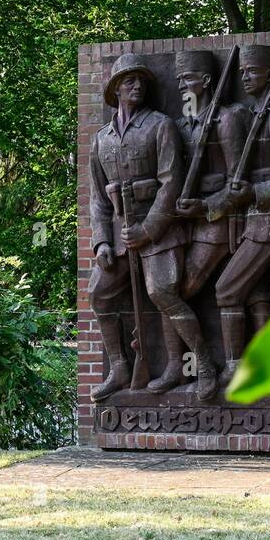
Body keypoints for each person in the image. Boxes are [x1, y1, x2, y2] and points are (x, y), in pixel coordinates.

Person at [87, 53, 216, 400]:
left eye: (141, 80)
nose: (137, 85)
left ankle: (202, 363)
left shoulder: (160, 125)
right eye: (129, 81)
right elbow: (97, 198)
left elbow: (171, 184)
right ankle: (119, 368)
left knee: (162, 293)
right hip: (118, 234)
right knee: (98, 294)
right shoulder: (101, 139)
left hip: (157, 231)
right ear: (115, 88)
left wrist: (148, 230)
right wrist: (101, 243)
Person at [210, 44, 270, 384]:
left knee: (227, 290)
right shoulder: (250, 114)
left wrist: (253, 192)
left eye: (252, 71)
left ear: (269, 74)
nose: (245, 77)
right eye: (242, 72)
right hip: (253, 218)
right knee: (259, 293)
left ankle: (237, 364)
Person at [168, 49, 249, 397]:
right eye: (179, 79)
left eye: (188, 79)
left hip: (217, 221)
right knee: (165, 288)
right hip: (182, 223)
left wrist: (204, 208)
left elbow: (238, 185)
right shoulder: (182, 123)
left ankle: (206, 367)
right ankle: (176, 366)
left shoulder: (226, 119)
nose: (182, 85)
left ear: (206, 81)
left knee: (179, 289)